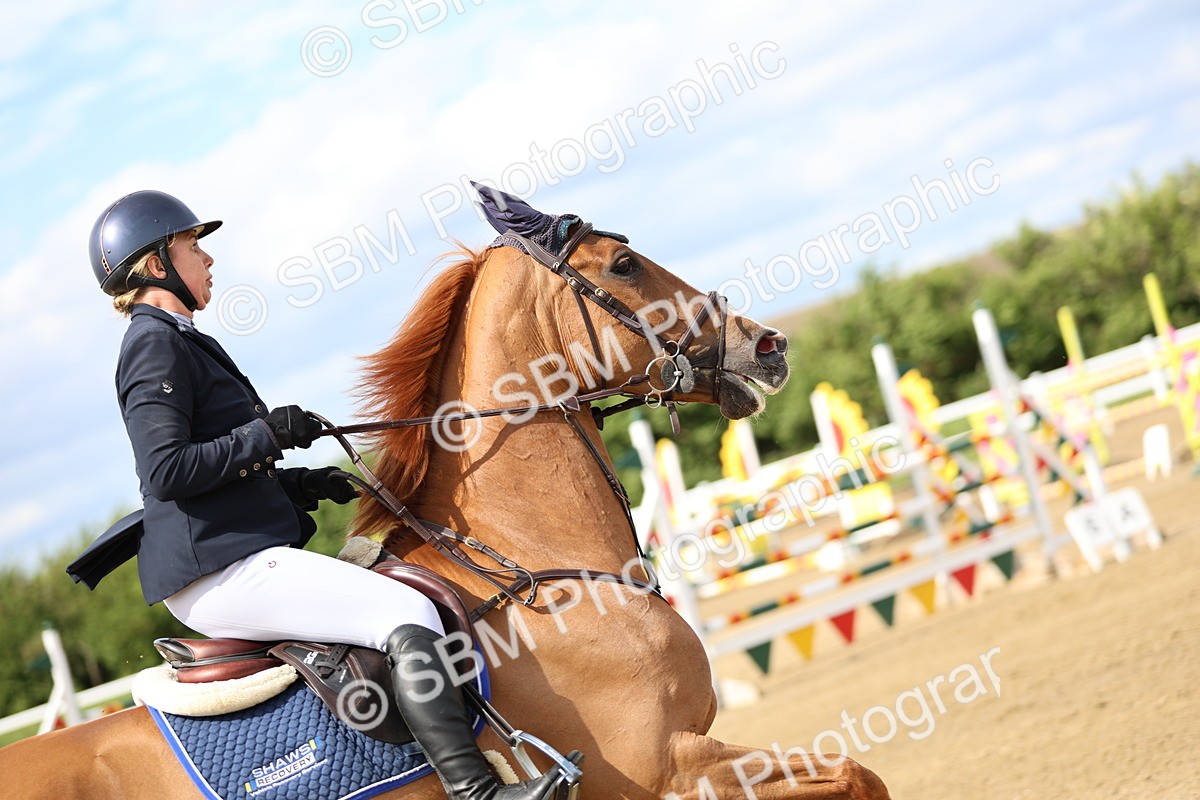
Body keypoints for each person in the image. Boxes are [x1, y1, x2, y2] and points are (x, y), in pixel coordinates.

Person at [86, 190, 565, 800]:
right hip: (217, 570)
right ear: (157, 265)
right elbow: (167, 472)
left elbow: (212, 470)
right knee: (405, 611)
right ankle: (477, 791)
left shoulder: (176, 337)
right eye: (193, 246)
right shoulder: (154, 342)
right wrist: (267, 435)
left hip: (227, 553)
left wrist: (299, 485)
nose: (209, 260)